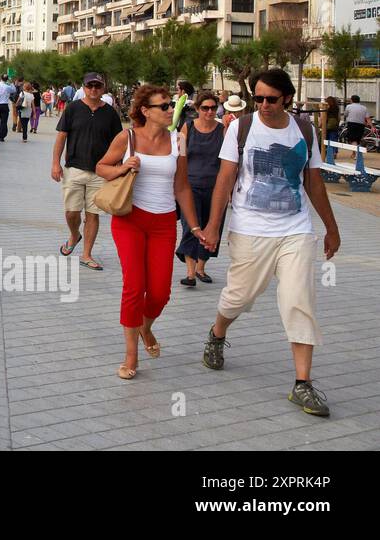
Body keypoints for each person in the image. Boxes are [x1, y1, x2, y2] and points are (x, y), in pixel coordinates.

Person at [198, 68, 341, 417]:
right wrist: (213, 227)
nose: (263, 104)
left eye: (271, 99)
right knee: (240, 296)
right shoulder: (240, 128)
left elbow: (314, 182)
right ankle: (217, 333)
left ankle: (302, 384)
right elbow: (226, 179)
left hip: (295, 228)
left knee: (299, 300)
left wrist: (332, 228)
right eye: (257, 98)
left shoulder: (305, 130)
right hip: (249, 227)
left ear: (287, 98)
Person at [97, 85, 200, 380]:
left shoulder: (178, 140)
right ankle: (131, 354)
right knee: (134, 285)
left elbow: (182, 187)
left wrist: (193, 227)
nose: (170, 109)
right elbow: (101, 166)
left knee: (159, 292)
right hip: (130, 219)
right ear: (146, 111)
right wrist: (123, 168)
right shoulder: (127, 138)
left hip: (164, 222)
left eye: (170, 105)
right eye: (164, 106)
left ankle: (146, 326)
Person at [51, 72, 121, 272]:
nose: (93, 90)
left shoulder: (110, 113)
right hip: (74, 168)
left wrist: (116, 165)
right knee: (72, 212)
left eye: (97, 86)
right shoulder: (73, 108)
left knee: (93, 214)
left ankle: (87, 254)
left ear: (103, 88)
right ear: (84, 87)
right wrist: (55, 163)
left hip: (100, 172)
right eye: (90, 86)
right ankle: (74, 235)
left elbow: (118, 142)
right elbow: (61, 137)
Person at [176, 91, 226, 287]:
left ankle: (201, 268)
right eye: (205, 108)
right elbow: (180, 157)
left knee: (212, 226)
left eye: (213, 108)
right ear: (197, 109)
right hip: (190, 186)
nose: (209, 111)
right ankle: (189, 272)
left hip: (215, 187)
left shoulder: (223, 130)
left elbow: (228, 161)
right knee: (191, 227)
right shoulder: (187, 128)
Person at [321, 97, 341, 162]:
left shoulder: (326, 108)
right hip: (334, 125)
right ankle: (334, 152)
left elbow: (324, 116)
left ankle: (327, 152)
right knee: (334, 139)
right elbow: (339, 117)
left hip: (327, 125)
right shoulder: (337, 108)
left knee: (326, 138)